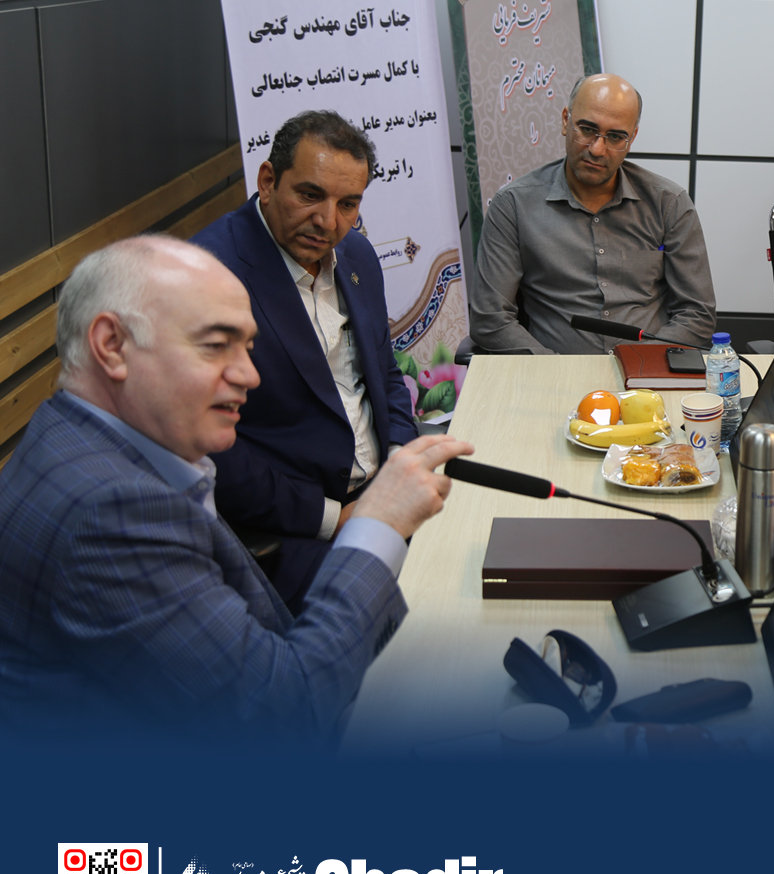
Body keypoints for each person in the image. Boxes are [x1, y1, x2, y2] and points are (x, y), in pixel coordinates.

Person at [0, 237, 473, 740]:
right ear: (112, 345)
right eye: (215, 345)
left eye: (247, 347)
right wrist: (377, 523)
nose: (250, 375)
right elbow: (282, 715)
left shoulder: (76, 436)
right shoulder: (111, 512)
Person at [192, 111, 419, 610]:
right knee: (426, 620)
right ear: (268, 181)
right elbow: (206, 449)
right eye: (310, 195)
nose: (328, 222)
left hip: (384, 496)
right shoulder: (209, 277)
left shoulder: (357, 256)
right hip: (293, 535)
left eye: (348, 204)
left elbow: (385, 374)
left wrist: (401, 460)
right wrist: (334, 519)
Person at [469, 73, 716, 354]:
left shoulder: (668, 204)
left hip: (648, 372)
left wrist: (641, 363)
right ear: (566, 120)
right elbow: (490, 318)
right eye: (587, 130)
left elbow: (697, 315)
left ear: (632, 138)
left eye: (615, 137)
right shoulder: (514, 205)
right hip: (553, 373)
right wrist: (554, 369)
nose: (598, 149)